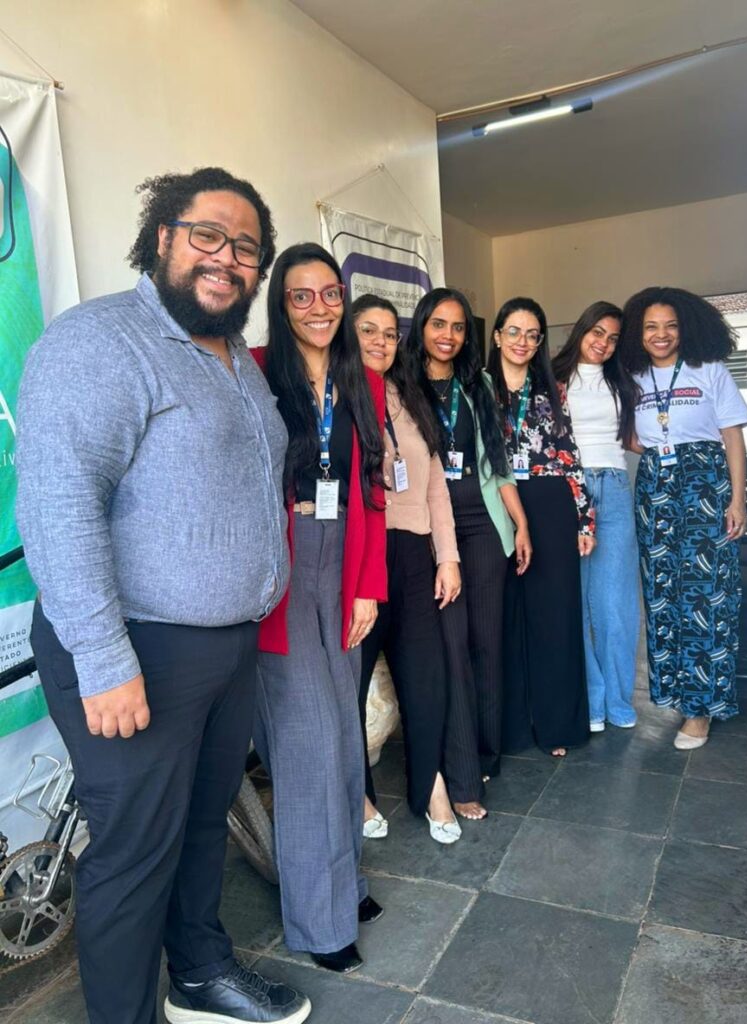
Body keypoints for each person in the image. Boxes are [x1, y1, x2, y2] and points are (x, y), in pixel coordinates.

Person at [15, 168, 311, 1024]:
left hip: (224, 646)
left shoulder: (235, 359)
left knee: (203, 826)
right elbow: (59, 503)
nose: (226, 258)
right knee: (135, 853)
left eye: (245, 247)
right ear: (161, 237)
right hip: (133, 648)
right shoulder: (101, 341)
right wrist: (105, 659)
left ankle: (200, 978)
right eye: (206, 235)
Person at [251, 244, 386, 975]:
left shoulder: (363, 380)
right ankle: (319, 921)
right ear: (281, 303)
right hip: (282, 562)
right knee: (307, 743)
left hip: (345, 558)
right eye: (300, 296)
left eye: (330, 293)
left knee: (343, 734)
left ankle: (344, 882)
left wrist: (367, 585)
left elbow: (371, 489)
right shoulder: (252, 369)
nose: (319, 308)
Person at [406, 288, 531, 820]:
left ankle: (484, 755)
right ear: (421, 327)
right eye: (439, 324)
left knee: (486, 643)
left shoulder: (475, 384)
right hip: (432, 531)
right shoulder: (401, 384)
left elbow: (498, 465)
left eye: (458, 327)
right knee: (451, 647)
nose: (448, 336)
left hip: (482, 524)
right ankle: (458, 772)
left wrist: (520, 524)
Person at [619, 286, 747, 749]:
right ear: (638, 333)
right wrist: (659, 452)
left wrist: (738, 500)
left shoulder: (709, 369)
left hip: (706, 485)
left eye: (670, 326)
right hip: (655, 490)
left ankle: (701, 710)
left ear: (686, 328)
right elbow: (628, 433)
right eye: (651, 327)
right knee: (663, 595)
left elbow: (732, 438)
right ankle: (676, 695)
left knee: (707, 594)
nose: (661, 335)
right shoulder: (633, 377)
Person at [353, 293, 462, 845]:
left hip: (415, 555)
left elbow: (436, 485)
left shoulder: (410, 396)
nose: (380, 341)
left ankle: (431, 785)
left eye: (389, 333)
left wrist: (448, 556)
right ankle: (359, 791)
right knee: (348, 685)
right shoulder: (339, 396)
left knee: (425, 678)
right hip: (358, 558)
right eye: (368, 331)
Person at [487, 297, 594, 757]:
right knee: (505, 617)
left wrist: (584, 518)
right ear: (497, 336)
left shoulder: (553, 389)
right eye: (514, 331)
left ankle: (557, 725)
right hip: (497, 501)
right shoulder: (477, 388)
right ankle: (511, 729)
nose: (523, 342)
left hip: (550, 502)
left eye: (532, 335)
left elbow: (570, 456)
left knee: (555, 616)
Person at [553, 302, 641, 732]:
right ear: (582, 329)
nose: (604, 343)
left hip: (615, 488)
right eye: (598, 332)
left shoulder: (623, 382)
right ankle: (589, 701)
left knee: (615, 605)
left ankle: (619, 700)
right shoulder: (551, 376)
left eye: (613, 338)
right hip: (568, 489)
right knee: (574, 601)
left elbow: (634, 438)